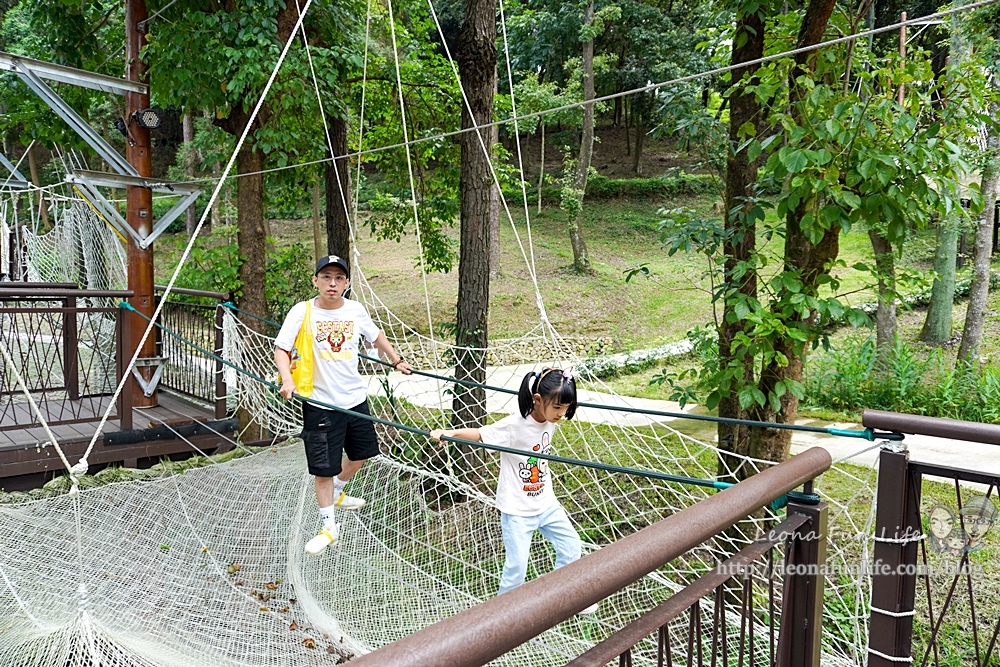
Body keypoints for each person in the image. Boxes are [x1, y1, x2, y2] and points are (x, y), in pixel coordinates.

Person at [429, 367, 598, 614]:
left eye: (565, 409)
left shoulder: (550, 418)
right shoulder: (514, 426)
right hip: (518, 510)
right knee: (517, 566)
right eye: (558, 408)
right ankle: (502, 616)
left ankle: (567, 594)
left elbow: (551, 383)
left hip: (546, 503)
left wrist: (556, 384)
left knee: (571, 545)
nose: (561, 414)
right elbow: (481, 433)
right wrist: (451, 432)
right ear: (538, 400)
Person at [275, 254, 412, 555]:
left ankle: (337, 490)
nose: (332, 283)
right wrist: (288, 379)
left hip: (354, 399)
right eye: (326, 277)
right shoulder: (303, 311)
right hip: (320, 402)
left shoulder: (355, 310)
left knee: (363, 453)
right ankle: (328, 527)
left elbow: (376, 336)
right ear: (316, 281)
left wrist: (396, 360)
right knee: (323, 468)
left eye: (338, 278)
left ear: (347, 283)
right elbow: (282, 348)